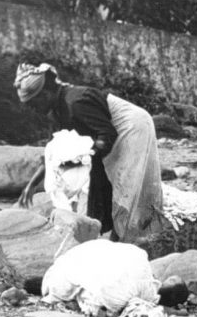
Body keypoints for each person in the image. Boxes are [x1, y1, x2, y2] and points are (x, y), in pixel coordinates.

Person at [15, 63, 163, 243]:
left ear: (45, 94)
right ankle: (107, 231)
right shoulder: (58, 110)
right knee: (97, 180)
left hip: (132, 127)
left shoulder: (76, 102)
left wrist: (82, 159)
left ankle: (125, 239)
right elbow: (53, 154)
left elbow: (106, 135)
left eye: (33, 103)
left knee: (125, 184)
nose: (33, 109)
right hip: (105, 135)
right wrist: (31, 184)